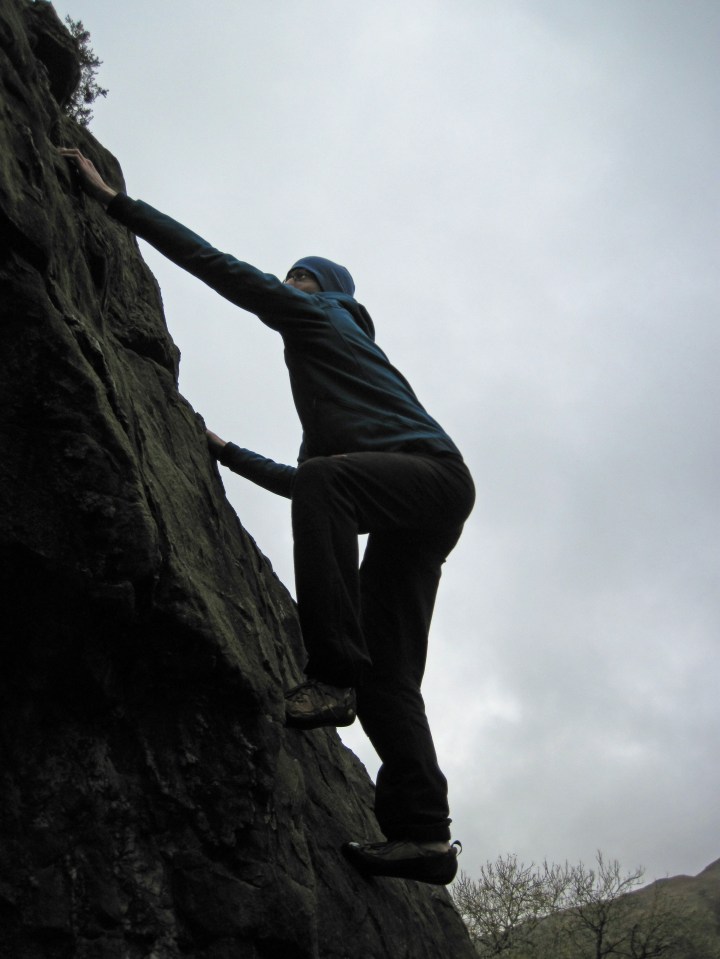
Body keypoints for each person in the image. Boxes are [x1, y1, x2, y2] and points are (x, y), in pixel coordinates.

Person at [59, 148, 476, 885]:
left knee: (329, 501)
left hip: (433, 481)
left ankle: (330, 675)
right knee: (392, 681)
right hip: (423, 507)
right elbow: (304, 483)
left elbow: (225, 269)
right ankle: (425, 838)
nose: (291, 285)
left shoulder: (323, 322)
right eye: (293, 279)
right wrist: (226, 451)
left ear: (326, 293)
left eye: (303, 277)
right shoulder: (333, 405)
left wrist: (116, 205)